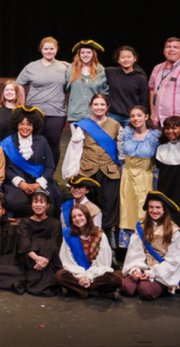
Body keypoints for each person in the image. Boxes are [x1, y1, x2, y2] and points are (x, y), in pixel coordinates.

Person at [62, 94, 123, 252]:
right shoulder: (82, 125)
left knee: (110, 207)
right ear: (90, 106)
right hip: (88, 172)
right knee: (89, 208)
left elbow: (121, 153)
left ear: (107, 107)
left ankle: (110, 248)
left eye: (102, 104)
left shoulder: (116, 125)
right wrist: (71, 173)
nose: (99, 107)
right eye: (96, 104)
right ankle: (88, 246)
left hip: (109, 173)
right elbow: (74, 151)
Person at [121, 192, 180, 300]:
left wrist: (153, 273)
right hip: (143, 267)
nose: (154, 211)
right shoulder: (142, 228)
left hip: (161, 272)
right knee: (128, 288)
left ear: (164, 209)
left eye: (158, 207)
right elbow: (135, 252)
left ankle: (162, 287)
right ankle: (141, 281)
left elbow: (175, 260)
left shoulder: (173, 232)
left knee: (145, 290)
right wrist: (135, 269)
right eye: (151, 207)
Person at [16, 37, 70, 165]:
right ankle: (33, 173)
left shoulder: (63, 67)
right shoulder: (32, 66)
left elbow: (80, 72)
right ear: (41, 50)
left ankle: (49, 175)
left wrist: (70, 65)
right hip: (35, 111)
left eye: (52, 49)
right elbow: (19, 85)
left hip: (56, 112)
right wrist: (23, 106)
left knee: (53, 142)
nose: (49, 51)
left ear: (56, 50)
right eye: (46, 49)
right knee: (34, 142)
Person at [1, 107, 59, 218]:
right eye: (22, 124)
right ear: (16, 125)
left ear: (34, 126)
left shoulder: (42, 141)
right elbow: (5, 168)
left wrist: (39, 184)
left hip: (39, 182)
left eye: (29, 125)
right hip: (17, 184)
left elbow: (50, 166)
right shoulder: (7, 142)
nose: (25, 127)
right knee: (17, 203)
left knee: (48, 205)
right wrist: (20, 183)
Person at [56, 204, 122, 300]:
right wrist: (81, 277)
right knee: (60, 276)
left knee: (115, 280)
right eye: (74, 217)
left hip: (95, 275)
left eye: (80, 215)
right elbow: (67, 262)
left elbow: (104, 264)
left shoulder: (100, 235)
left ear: (87, 216)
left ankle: (79, 291)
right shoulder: (68, 236)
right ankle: (98, 292)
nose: (77, 218)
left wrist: (89, 277)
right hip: (77, 275)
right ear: (72, 221)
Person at [118, 106, 161, 249]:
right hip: (128, 176)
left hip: (146, 175)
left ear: (146, 116)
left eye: (139, 115)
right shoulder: (127, 132)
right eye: (132, 116)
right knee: (127, 209)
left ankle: (145, 244)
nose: (135, 119)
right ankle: (127, 246)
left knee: (142, 209)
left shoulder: (154, 135)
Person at [18, 189, 63, 296]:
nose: (38, 205)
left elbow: (54, 244)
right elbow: (24, 244)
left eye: (42, 202)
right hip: (30, 260)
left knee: (45, 243)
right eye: (35, 202)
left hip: (49, 260)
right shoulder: (24, 223)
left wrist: (44, 260)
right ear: (31, 204)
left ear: (47, 205)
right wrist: (37, 258)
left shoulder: (54, 223)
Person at [155, 115, 180, 227]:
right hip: (164, 189)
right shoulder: (161, 148)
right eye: (167, 128)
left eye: (174, 128)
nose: (170, 131)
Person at [65, 40, 109, 123]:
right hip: (75, 115)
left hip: (94, 116)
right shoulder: (71, 69)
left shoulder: (100, 69)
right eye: (82, 53)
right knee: (77, 136)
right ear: (79, 55)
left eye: (88, 52)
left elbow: (104, 92)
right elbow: (64, 88)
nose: (85, 55)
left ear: (93, 54)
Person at [105, 46, 149, 127]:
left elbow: (143, 100)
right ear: (118, 60)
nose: (126, 60)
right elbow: (93, 68)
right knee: (111, 139)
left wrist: (139, 116)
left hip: (131, 117)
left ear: (134, 59)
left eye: (129, 57)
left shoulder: (140, 78)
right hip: (113, 115)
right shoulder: (110, 72)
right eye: (123, 57)